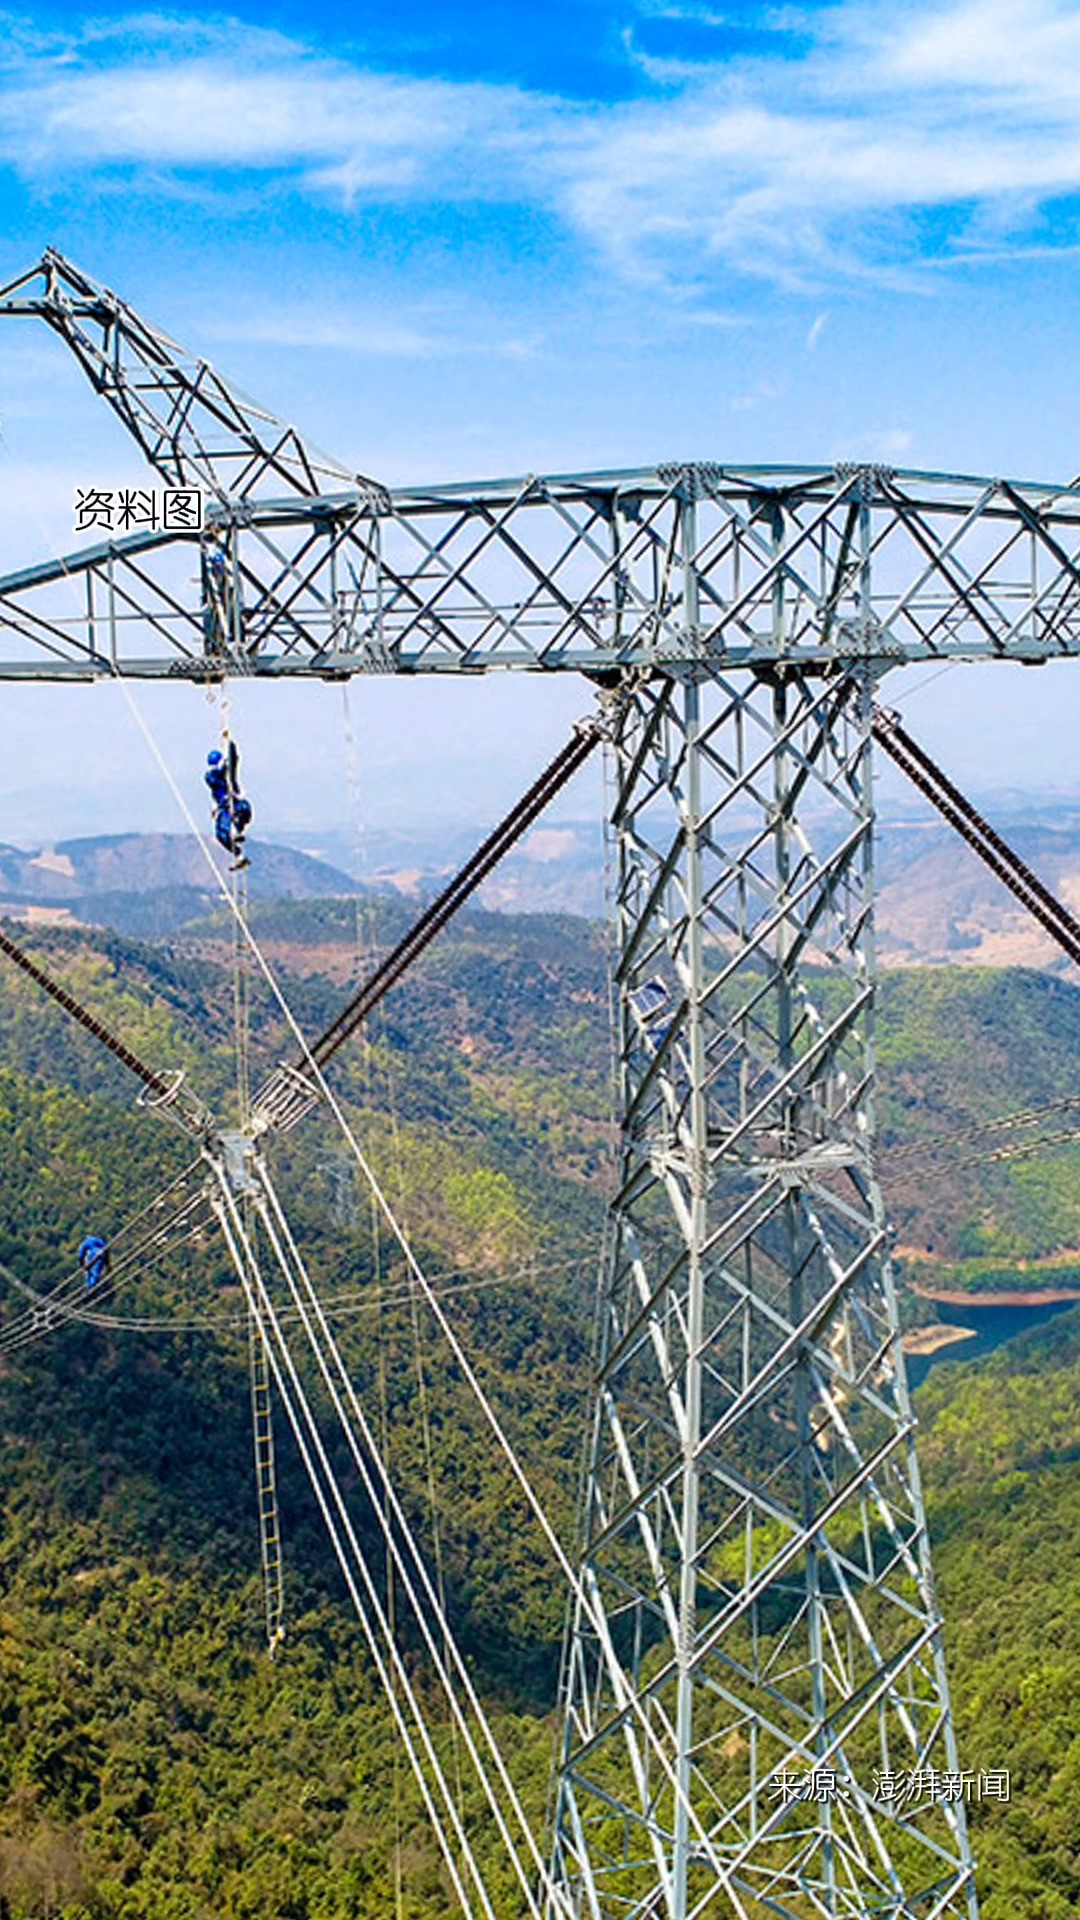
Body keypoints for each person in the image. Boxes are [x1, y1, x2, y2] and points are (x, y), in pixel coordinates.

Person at [205, 742, 252, 868]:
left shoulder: (229, 775)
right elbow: (213, 780)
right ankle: (238, 853)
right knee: (221, 834)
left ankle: (238, 831)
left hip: (235, 805)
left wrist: (230, 744)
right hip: (225, 808)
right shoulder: (213, 777)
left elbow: (233, 762)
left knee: (242, 812)